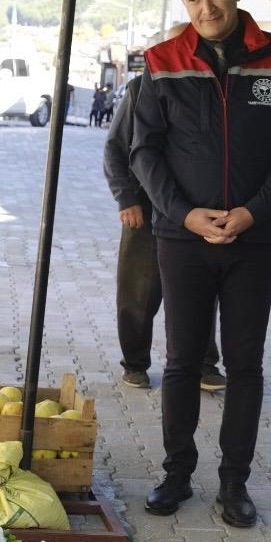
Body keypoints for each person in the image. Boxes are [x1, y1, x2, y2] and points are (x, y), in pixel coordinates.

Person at [131, 0, 271, 527]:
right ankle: (176, 473)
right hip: (182, 239)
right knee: (182, 361)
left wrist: (254, 212)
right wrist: (184, 214)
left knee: (245, 364)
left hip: (254, 241)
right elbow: (144, 151)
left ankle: (235, 483)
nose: (205, 8)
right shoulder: (161, 61)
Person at [104, 21, 225, 392]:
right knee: (138, 294)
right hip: (146, 209)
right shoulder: (141, 87)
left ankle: (204, 364)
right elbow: (115, 148)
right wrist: (126, 198)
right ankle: (135, 363)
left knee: (199, 292)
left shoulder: (213, 90)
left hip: (197, 213)